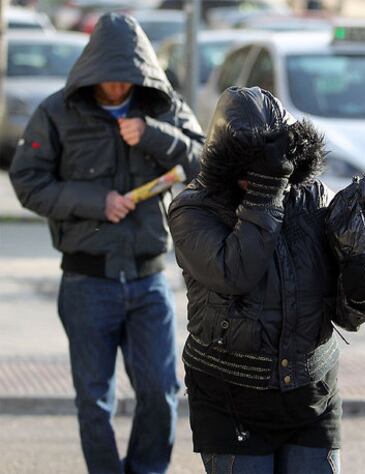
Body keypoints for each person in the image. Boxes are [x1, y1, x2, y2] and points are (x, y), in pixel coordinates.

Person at [168, 86, 365, 474]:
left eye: (269, 166)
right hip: (231, 398)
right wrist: (266, 190)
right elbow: (236, 273)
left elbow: (348, 310)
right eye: (248, 169)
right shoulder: (193, 208)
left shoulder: (312, 196)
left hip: (312, 392)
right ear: (225, 161)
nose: (256, 178)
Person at [10, 12, 204, 474]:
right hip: (85, 280)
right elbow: (28, 181)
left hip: (148, 278)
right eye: (110, 78)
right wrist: (97, 201)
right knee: (94, 402)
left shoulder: (162, 105)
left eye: (128, 79)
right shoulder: (56, 111)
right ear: (91, 68)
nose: (119, 88)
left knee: (161, 392)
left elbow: (202, 161)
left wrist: (155, 134)